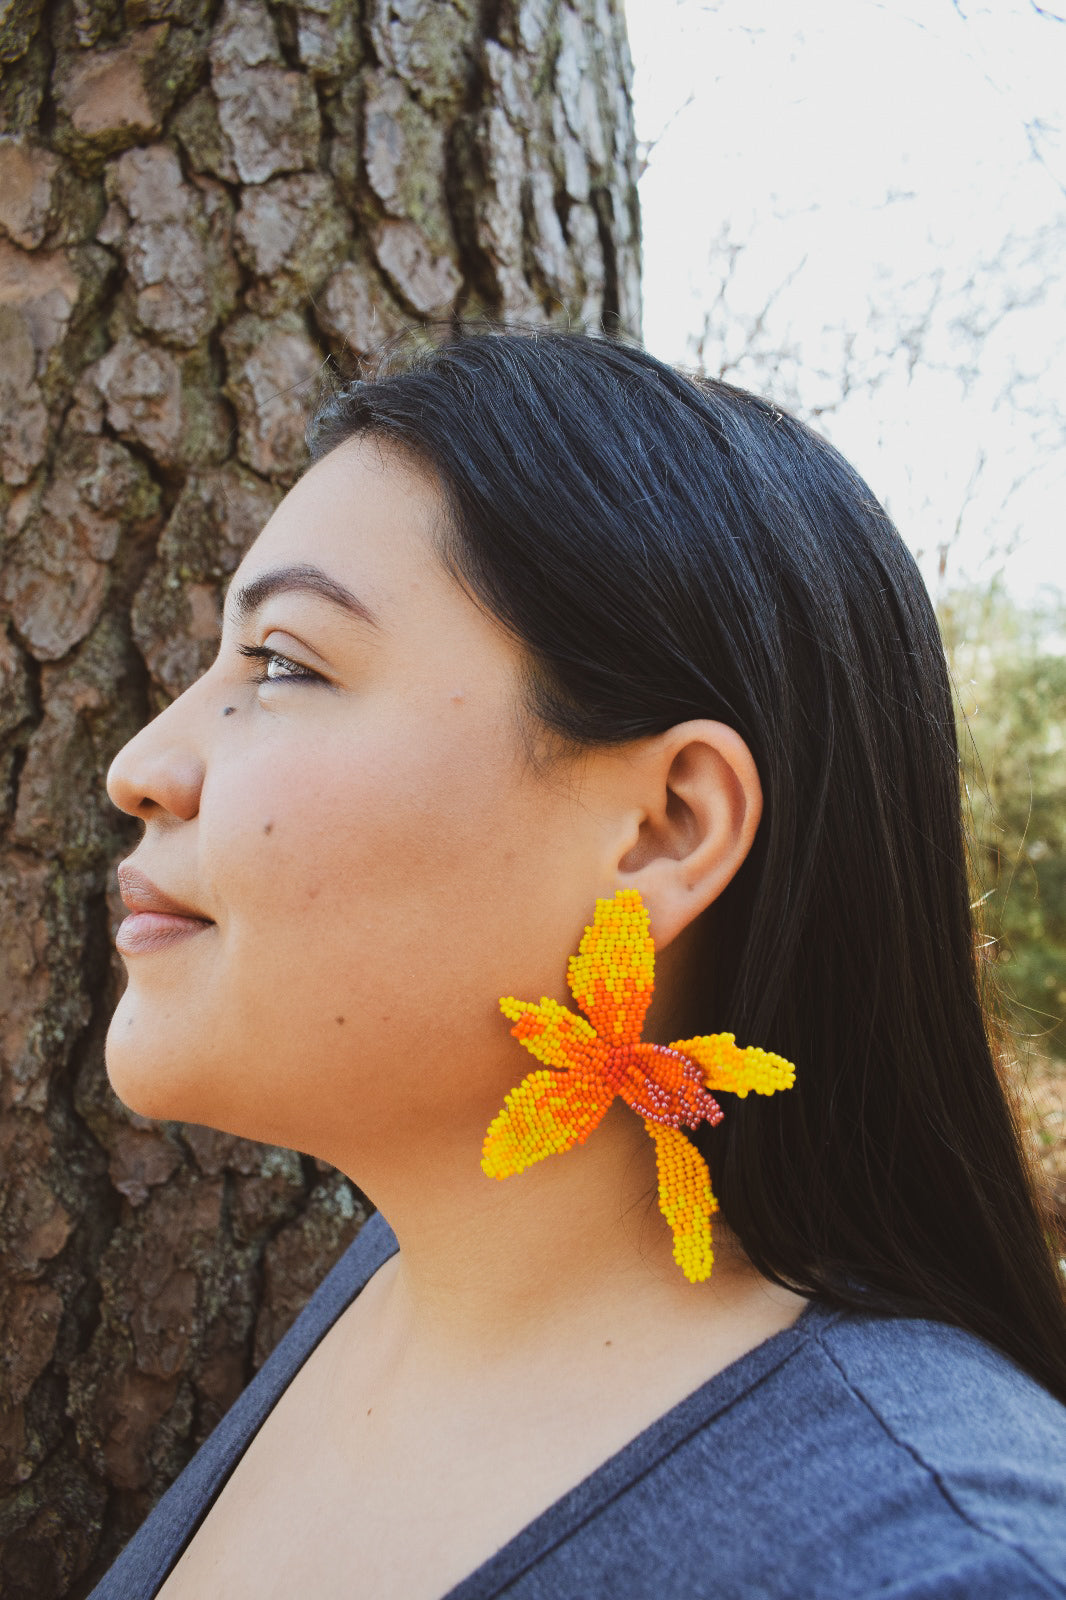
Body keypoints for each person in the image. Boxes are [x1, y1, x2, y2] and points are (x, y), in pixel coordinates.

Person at [93, 328, 1066, 1600]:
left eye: (285, 663)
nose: (141, 765)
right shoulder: (401, 1283)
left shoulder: (926, 1563)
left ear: (666, 827)